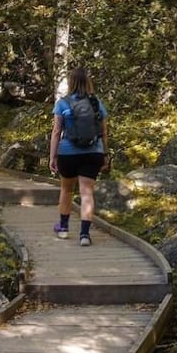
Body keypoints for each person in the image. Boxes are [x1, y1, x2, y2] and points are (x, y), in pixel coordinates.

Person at [49, 67, 109, 246]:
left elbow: (56, 131)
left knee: (67, 190)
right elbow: (104, 132)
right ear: (88, 81)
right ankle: (84, 235)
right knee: (87, 193)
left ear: (71, 82)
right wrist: (105, 153)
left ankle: (64, 229)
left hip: (67, 153)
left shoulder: (63, 103)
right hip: (93, 152)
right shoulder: (96, 102)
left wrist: (52, 156)